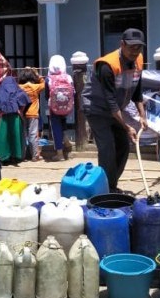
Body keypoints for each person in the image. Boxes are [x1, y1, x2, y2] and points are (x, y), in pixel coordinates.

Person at [81, 28, 148, 193]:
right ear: (122, 44)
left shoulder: (139, 60)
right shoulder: (106, 65)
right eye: (132, 47)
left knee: (124, 145)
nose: (135, 51)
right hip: (96, 108)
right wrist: (127, 126)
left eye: (139, 47)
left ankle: (111, 185)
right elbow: (110, 102)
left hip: (116, 110)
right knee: (107, 148)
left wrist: (142, 116)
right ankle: (105, 190)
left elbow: (137, 91)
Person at [0, 73, 31, 164]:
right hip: (16, 117)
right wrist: (21, 111)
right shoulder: (17, 89)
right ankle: (16, 156)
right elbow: (24, 99)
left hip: (4, 117)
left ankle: (4, 157)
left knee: (4, 137)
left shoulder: (0, 90)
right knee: (16, 136)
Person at [46, 54, 74, 161]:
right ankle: (66, 141)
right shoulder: (68, 77)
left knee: (56, 127)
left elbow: (46, 95)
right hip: (66, 106)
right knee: (63, 122)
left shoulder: (49, 79)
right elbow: (73, 92)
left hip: (54, 108)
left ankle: (60, 154)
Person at [19, 67, 45, 161]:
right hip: (33, 114)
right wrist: (37, 74)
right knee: (33, 135)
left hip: (22, 113)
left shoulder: (19, 87)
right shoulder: (35, 87)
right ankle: (34, 156)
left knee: (23, 134)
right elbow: (44, 83)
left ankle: (22, 156)